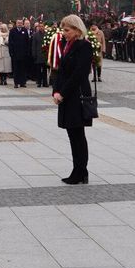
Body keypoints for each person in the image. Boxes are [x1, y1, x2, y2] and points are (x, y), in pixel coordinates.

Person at [52, 15, 93, 185]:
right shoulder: (67, 45)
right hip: (67, 95)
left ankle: (80, 171)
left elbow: (79, 74)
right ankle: (78, 170)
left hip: (76, 95)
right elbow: (61, 71)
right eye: (63, 30)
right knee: (72, 134)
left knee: (78, 134)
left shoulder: (84, 46)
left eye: (67, 30)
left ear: (77, 30)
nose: (64, 33)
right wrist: (55, 91)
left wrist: (63, 93)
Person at [9, 19, 31, 88]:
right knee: (16, 69)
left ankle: (22, 82)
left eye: (21, 23)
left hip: (23, 54)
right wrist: (11, 52)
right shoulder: (12, 31)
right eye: (18, 23)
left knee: (23, 69)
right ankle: (16, 83)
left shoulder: (24, 30)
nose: (20, 24)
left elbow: (28, 42)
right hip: (15, 54)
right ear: (16, 23)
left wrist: (27, 52)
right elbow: (10, 43)